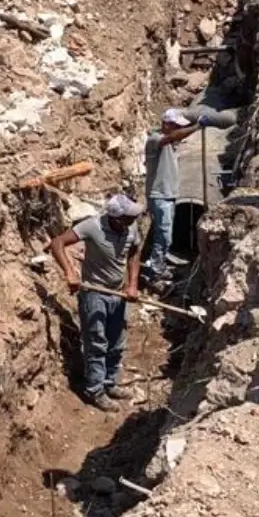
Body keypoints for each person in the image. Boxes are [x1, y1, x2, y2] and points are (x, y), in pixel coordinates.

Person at [50, 194, 143, 411]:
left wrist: (132, 284)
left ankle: (110, 383)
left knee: (117, 342)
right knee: (97, 342)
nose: (133, 221)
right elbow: (57, 243)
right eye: (129, 218)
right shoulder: (92, 226)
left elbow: (134, 252)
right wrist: (70, 273)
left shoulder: (132, 227)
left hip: (118, 293)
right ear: (116, 218)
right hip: (95, 293)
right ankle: (95, 390)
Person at [142, 108, 197, 284]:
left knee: (167, 235)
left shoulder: (170, 143)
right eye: (175, 126)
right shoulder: (155, 139)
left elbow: (176, 138)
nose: (177, 130)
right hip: (159, 195)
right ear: (165, 124)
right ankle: (153, 272)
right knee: (163, 235)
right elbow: (173, 137)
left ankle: (159, 266)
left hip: (169, 195)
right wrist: (197, 127)